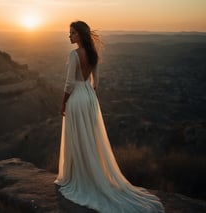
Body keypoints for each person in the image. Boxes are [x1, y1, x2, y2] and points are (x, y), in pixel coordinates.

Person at [54, 21, 165, 213]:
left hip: (77, 98)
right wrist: (88, 94)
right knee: (90, 136)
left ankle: (79, 176)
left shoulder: (74, 55)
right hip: (90, 98)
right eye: (69, 33)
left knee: (78, 137)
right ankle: (92, 175)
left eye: (72, 33)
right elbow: (96, 82)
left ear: (80, 35)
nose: (69, 36)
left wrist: (63, 102)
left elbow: (69, 83)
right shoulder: (94, 54)